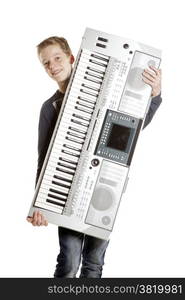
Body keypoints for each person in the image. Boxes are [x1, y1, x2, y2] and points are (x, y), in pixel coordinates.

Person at [27, 36, 162, 277]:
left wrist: (155, 94)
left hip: (104, 189)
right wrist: (39, 205)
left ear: (71, 58)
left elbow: (133, 127)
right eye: (45, 63)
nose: (52, 66)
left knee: (94, 262)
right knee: (68, 260)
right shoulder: (50, 108)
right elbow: (43, 158)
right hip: (66, 191)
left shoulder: (108, 93)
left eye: (57, 58)